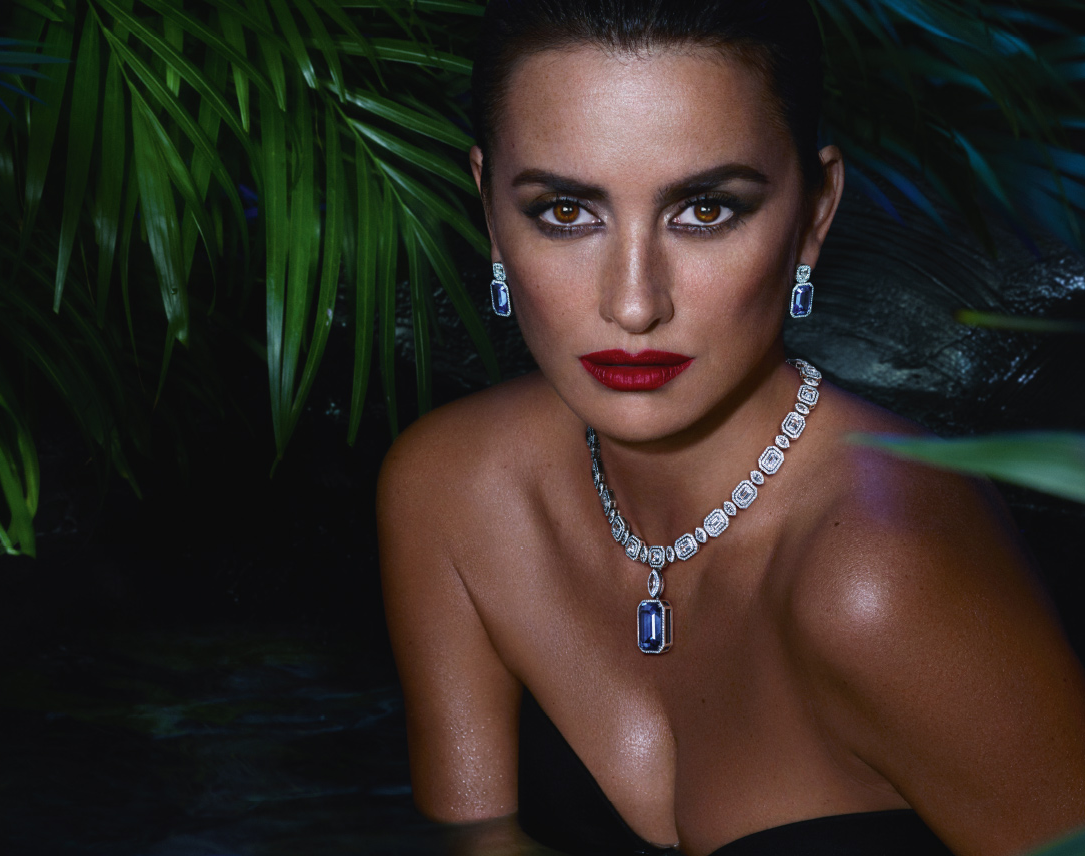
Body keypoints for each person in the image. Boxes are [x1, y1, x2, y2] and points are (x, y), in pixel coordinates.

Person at [376, 2, 1085, 854]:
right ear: (492, 214)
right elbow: (479, 843)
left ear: (814, 213)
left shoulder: (881, 575)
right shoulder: (455, 491)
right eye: (566, 212)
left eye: (705, 210)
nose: (633, 303)